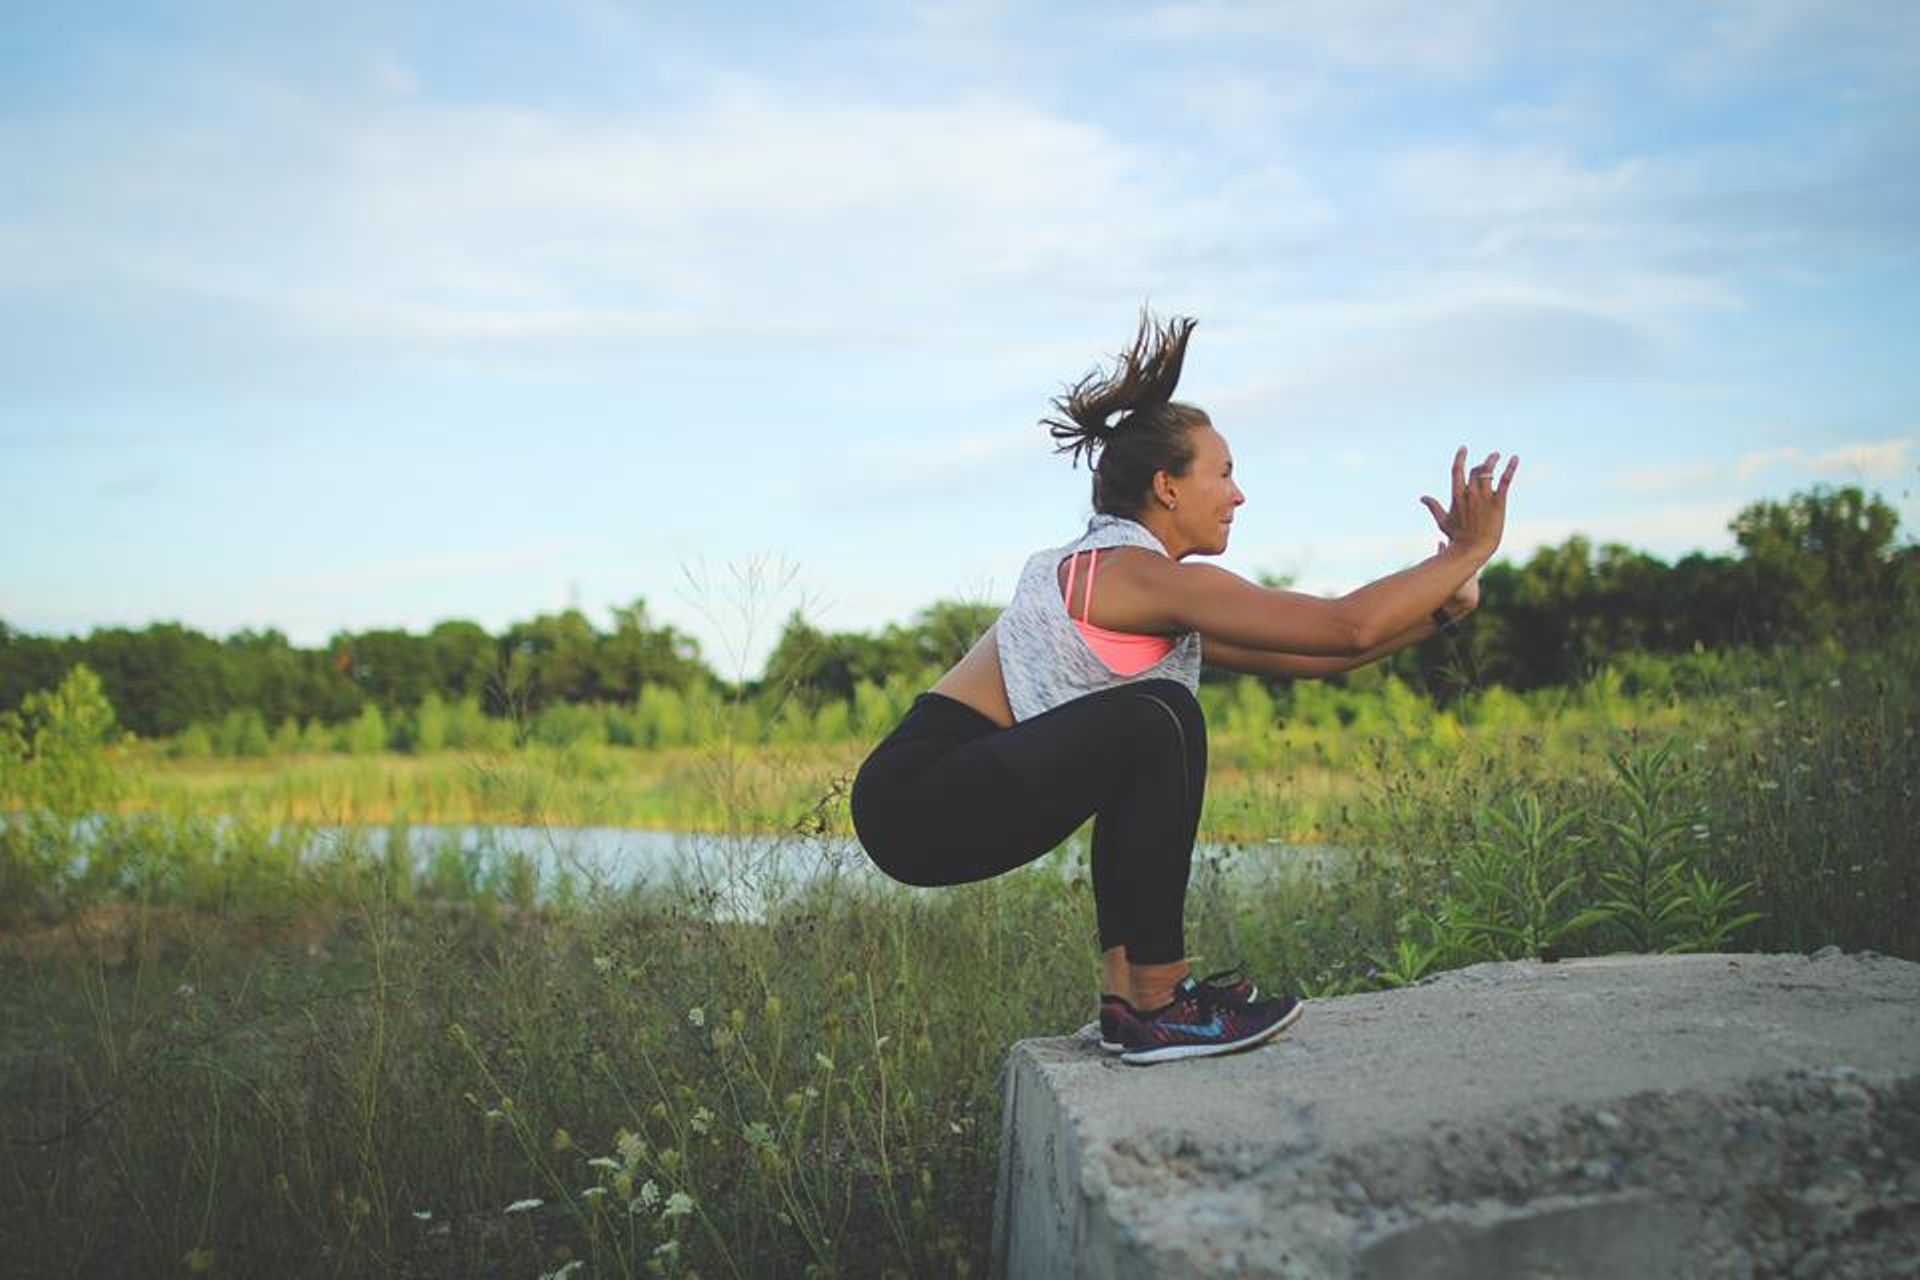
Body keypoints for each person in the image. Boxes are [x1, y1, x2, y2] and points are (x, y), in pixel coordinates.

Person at [849, 312, 1518, 1065]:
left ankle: (1128, 1004)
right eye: (1223, 473)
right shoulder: (1131, 575)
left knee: (1147, 730)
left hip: (949, 797)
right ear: (1167, 487)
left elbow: (1327, 656)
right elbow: (1345, 626)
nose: (1238, 496)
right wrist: (1469, 549)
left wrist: (1443, 607)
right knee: (1160, 718)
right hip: (919, 795)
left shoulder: (1149, 595)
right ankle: (1163, 1003)